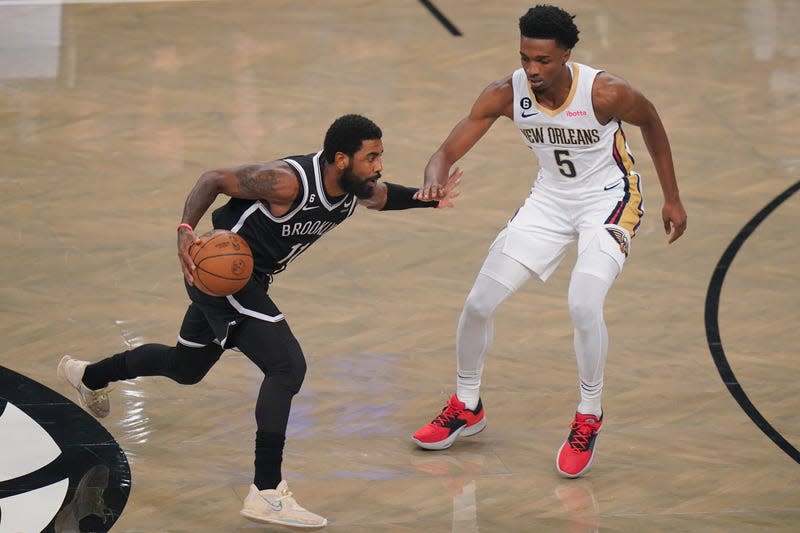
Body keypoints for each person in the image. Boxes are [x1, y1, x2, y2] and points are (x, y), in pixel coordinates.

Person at [57, 114, 460, 528]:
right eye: (371, 157)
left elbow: (379, 196)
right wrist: (184, 229)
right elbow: (213, 178)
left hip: (244, 278)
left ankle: (89, 375)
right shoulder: (287, 182)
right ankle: (266, 491)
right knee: (286, 366)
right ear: (341, 159)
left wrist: (425, 198)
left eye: (380, 156)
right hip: (222, 273)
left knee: (186, 367)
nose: (378, 166)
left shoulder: (352, 188)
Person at [411, 4, 687, 479]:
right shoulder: (505, 93)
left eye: (543, 61)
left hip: (608, 202)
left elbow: (653, 124)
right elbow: (445, 152)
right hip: (548, 204)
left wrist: (673, 199)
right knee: (478, 304)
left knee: (583, 304)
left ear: (567, 56)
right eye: (525, 59)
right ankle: (466, 404)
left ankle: (589, 413)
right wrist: (433, 180)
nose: (532, 70)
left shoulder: (605, 91)